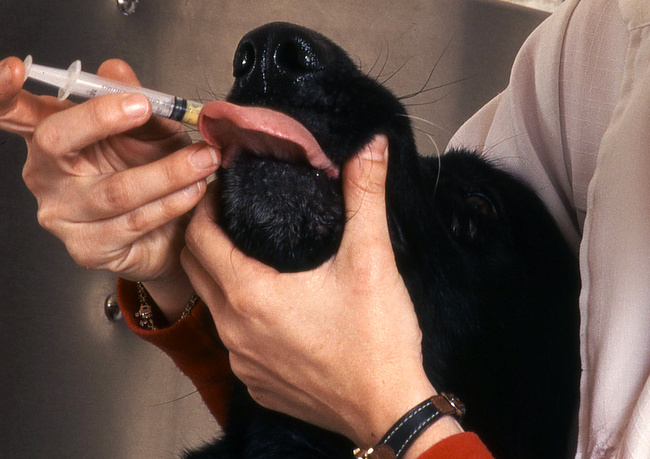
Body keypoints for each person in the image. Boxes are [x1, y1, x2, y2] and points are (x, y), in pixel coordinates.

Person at [1, 0, 649, 456]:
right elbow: (358, 335)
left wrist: (401, 419)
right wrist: (187, 249)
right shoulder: (607, 38)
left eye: (469, 219)